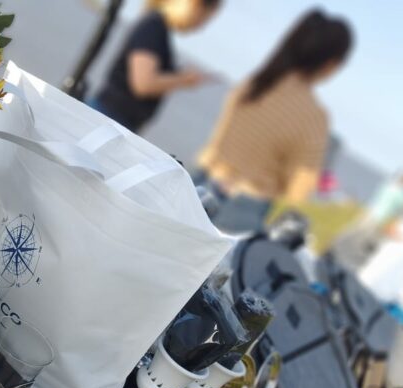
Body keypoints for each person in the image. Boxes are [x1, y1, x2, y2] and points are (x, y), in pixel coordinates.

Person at [197, 9, 353, 233]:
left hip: (200, 184)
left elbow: (215, 143)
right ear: (330, 63)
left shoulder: (255, 84)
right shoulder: (314, 116)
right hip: (241, 213)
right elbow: (298, 193)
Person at [92, 0, 222, 132]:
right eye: (203, 19)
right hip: (109, 118)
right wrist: (183, 79)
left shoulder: (157, 28)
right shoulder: (153, 27)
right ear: (193, 5)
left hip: (116, 121)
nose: (200, 27)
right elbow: (144, 84)